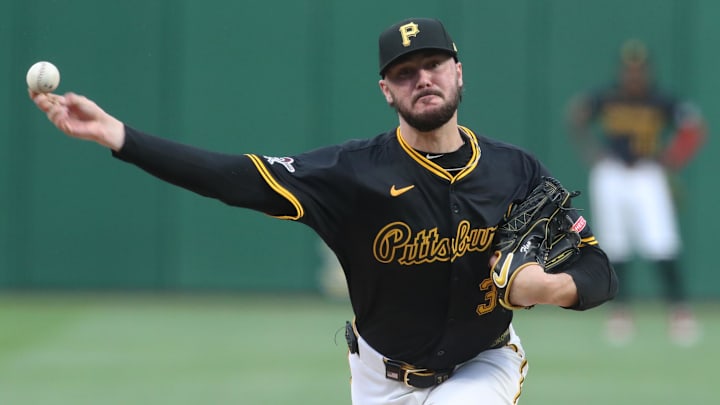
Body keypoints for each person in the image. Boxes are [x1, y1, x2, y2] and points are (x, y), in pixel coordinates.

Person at [30, 17, 617, 405]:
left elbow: (598, 269)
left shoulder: (515, 171)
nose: (423, 79)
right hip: (379, 376)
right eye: (404, 73)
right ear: (386, 91)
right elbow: (232, 178)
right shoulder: (350, 174)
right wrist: (119, 136)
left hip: (482, 362)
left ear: (459, 73)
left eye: (434, 64)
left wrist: (547, 287)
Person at [567, 39, 705, 346]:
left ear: (647, 71)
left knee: (661, 241)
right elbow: (576, 114)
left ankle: (679, 312)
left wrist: (671, 159)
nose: (633, 76)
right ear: (622, 71)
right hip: (612, 173)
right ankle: (621, 313)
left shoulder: (660, 100)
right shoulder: (608, 97)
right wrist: (593, 152)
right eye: (629, 70)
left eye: (639, 70)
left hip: (647, 173)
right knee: (616, 244)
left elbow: (694, 126)